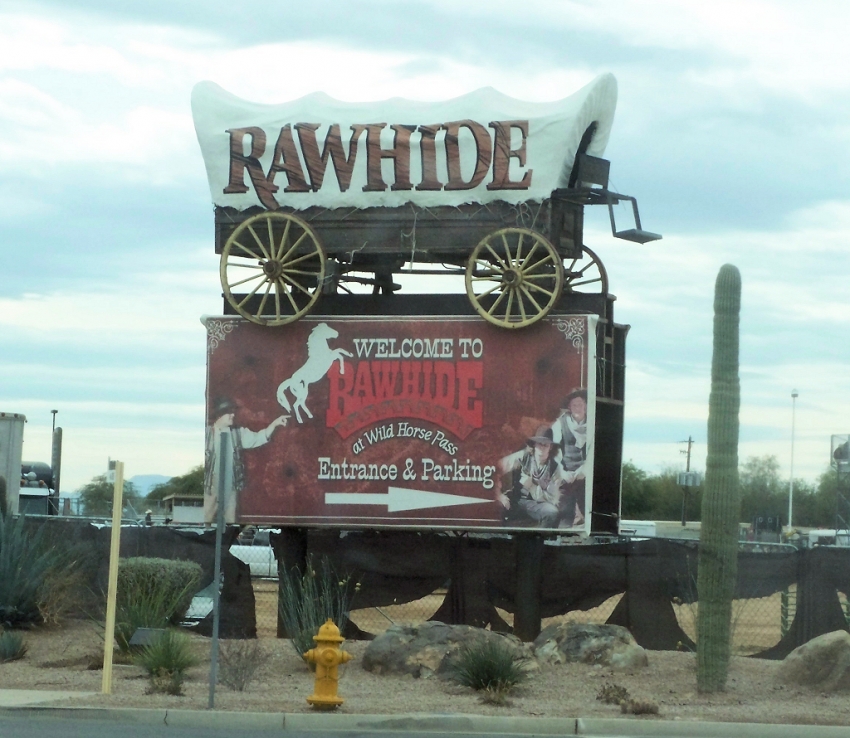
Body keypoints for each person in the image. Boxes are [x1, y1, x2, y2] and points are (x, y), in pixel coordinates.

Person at [205, 398, 289, 524]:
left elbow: (259, 437)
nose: (233, 415)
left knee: (230, 520)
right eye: (229, 412)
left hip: (231, 483)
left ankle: (226, 542)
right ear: (220, 414)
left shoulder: (237, 434)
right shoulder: (207, 434)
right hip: (211, 484)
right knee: (206, 517)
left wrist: (274, 424)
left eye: (233, 412)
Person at [497, 425, 565, 528]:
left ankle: (538, 538)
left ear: (550, 447)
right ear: (534, 445)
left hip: (537, 505)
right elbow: (496, 469)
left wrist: (533, 484)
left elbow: (552, 499)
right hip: (515, 501)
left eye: (545, 445)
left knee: (553, 513)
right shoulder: (522, 457)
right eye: (539, 444)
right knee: (497, 505)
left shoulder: (555, 469)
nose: (542, 447)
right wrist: (499, 495)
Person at [552, 388, 588, 527]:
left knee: (586, 516)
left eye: (580, 404)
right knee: (564, 515)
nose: (577, 408)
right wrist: (562, 472)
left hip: (585, 476)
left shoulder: (592, 425)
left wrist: (583, 471)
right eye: (574, 405)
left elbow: (593, 452)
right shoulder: (560, 424)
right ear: (569, 407)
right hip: (565, 476)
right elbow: (554, 451)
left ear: (585, 405)